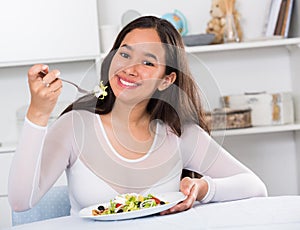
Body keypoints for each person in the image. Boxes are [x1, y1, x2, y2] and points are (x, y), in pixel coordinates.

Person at [8, 16, 267, 216]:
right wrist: (38, 113)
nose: (129, 69)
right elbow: (21, 202)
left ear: (166, 80)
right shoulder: (76, 126)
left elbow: (255, 187)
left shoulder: (177, 134)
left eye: (148, 62)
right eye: (124, 54)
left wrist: (202, 189)